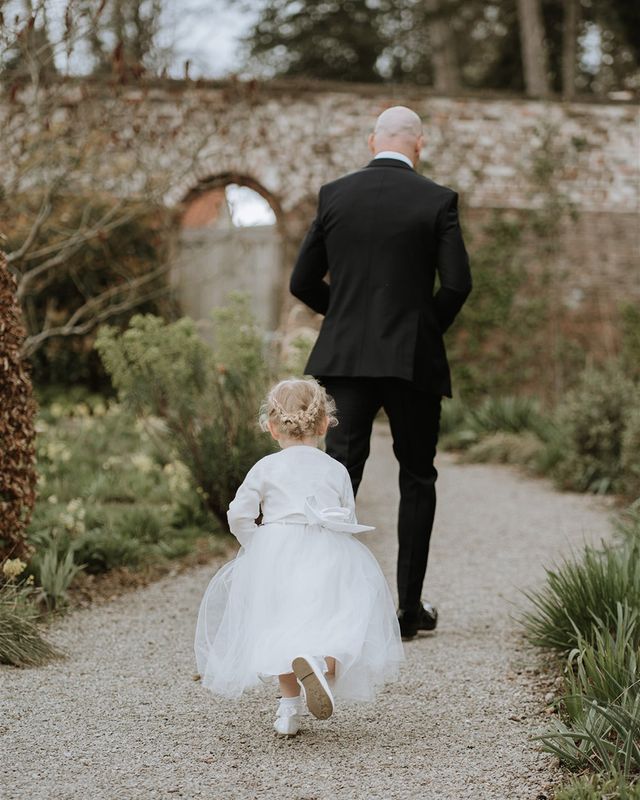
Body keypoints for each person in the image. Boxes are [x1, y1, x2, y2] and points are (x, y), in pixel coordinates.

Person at [290, 106, 472, 639]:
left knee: (339, 476)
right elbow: (457, 284)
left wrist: (347, 318)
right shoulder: (437, 200)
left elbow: (303, 282)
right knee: (417, 476)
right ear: (420, 144)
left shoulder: (334, 195)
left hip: (344, 361)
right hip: (411, 361)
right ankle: (409, 612)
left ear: (373, 141)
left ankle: (328, 606)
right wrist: (420, 330)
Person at [194, 378, 404, 737]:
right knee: (338, 618)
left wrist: (257, 544)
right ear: (324, 424)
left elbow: (238, 514)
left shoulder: (265, 468)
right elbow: (346, 517)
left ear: (273, 427)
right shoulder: (335, 468)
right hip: (327, 550)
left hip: (277, 551)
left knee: (280, 626)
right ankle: (321, 667)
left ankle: (288, 709)